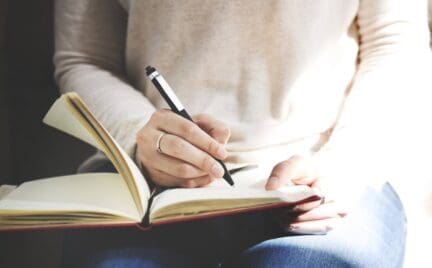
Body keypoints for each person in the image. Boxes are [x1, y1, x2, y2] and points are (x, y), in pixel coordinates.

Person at [54, 0, 430, 267]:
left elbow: (397, 41)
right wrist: (139, 135)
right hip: (146, 184)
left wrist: (342, 162)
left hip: (322, 169)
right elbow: (84, 58)